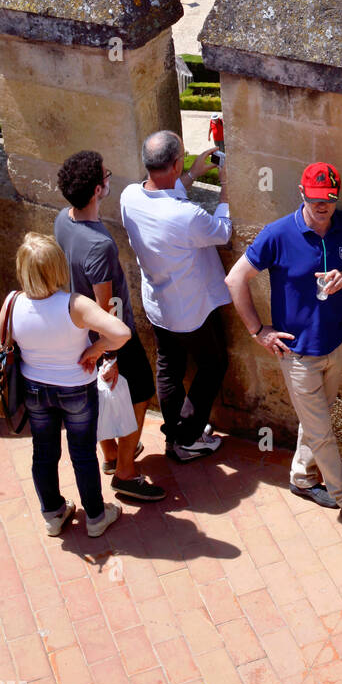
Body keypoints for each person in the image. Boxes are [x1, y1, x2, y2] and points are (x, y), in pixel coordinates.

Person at [225, 163, 342, 538]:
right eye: (316, 199)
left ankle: (302, 478)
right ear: (301, 193)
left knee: (315, 421)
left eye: (329, 200)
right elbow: (235, 278)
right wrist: (258, 331)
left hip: (334, 344)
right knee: (323, 430)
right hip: (298, 355)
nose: (323, 207)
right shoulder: (278, 234)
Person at [0, 233, 129, 538]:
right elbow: (121, 333)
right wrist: (96, 350)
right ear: (58, 268)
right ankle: (96, 517)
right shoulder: (75, 304)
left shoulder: (11, 302)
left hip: (34, 389)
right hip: (76, 390)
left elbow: (1, 349)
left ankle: (54, 514)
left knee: (43, 452)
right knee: (82, 454)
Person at [54, 151, 165, 504]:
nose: (109, 178)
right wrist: (109, 355)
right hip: (108, 337)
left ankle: (111, 456)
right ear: (98, 190)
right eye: (106, 175)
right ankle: (126, 474)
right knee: (141, 391)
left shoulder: (62, 220)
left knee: (96, 397)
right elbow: (106, 307)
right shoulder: (100, 245)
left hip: (74, 329)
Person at [120, 131, 231, 462]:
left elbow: (163, 194)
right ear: (175, 162)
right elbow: (222, 232)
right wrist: (226, 188)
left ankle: (174, 434)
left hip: (158, 303)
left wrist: (193, 174)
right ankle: (188, 437)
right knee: (213, 364)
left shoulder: (129, 196)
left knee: (169, 367)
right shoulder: (188, 217)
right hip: (192, 308)